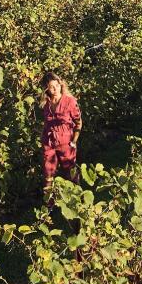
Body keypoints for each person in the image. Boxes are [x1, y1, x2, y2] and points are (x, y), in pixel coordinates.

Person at [39, 71, 82, 200]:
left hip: (65, 142)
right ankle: (49, 206)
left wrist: (74, 141)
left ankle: (78, 199)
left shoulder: (70, 101)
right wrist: (43, 138)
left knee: (70, 172)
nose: (55, 89)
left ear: (60, 85)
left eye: (57, 85)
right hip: (49, 142)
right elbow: (46, 123)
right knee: (48, 174)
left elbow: (78, 122)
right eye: (51, 87)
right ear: (47, 89)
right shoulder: (45, 104)